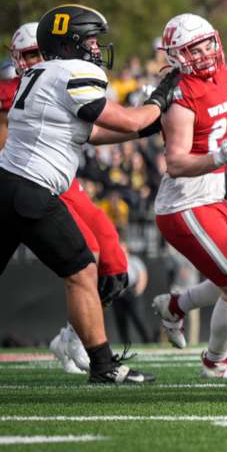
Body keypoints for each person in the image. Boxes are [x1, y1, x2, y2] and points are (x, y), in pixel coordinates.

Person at [0, 4, 175, 384]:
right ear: (72, 42)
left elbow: (92, 131)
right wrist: (158, 102)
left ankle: (100, 362)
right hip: (34, 190)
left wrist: (144, 126)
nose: (97, 48)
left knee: (82, 267)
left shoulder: (40, 74)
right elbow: (126, 119)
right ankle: (103, 364)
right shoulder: (72, 71)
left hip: (7, 185)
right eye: (92, 40)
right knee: (81, 270)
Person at [5, 22, 134, 375]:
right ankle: (95, 356)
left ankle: (75, 339)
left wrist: (146, 122)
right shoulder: (17, 87)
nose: (34, 61)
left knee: (114, 269)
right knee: (85, 258)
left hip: (58, 181)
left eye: (38, 53)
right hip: (29, 181)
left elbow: (93, 128)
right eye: (28, 55)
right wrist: (150, 112)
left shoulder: (59, 77)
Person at [149, 13, 227, 379]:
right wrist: (218, 159)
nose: (203, 53)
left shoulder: (226, 80)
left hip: (213, 198)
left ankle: (175, 305)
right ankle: (215, 362)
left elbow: (224, 147)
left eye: (205, 44)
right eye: (192, 49)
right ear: (176, 56)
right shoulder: (182, 96)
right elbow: (176, 163)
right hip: (184, 204)